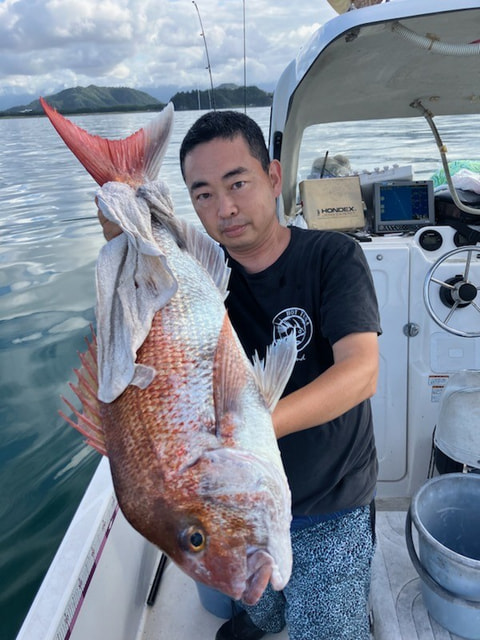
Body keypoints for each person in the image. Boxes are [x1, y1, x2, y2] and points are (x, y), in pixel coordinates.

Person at [100, 110, 381, 640]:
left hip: (332, 501)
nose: (224, 208)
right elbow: (126, 276)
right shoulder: (194, 272)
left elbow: (362, 372)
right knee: (260, 604)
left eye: (238, 183)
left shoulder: (331, 257)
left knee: (325, 628)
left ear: (274, 179)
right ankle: (263, 618)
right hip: (239, 509)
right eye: (202, 194)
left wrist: (248, 432)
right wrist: (118, 213)